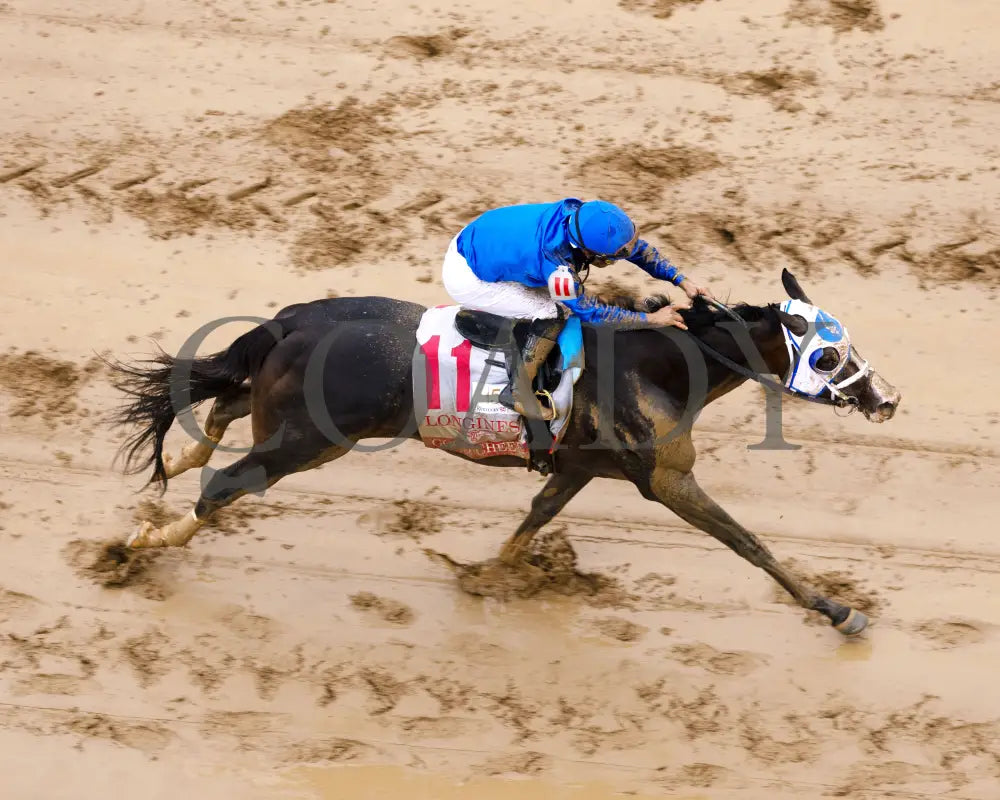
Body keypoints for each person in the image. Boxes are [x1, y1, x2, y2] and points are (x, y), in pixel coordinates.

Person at [441, 198, 716, 421]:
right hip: (469, 276)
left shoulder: (584, 219)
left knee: (563, 301)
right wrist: (652, 319)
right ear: (589, 253)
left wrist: (682, 281)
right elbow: (591, 313)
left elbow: (635, 248)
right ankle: (517, 393)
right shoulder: (558, 267)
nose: (623, 257)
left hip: (483, 238)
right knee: (555, 312)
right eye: (614, 257)